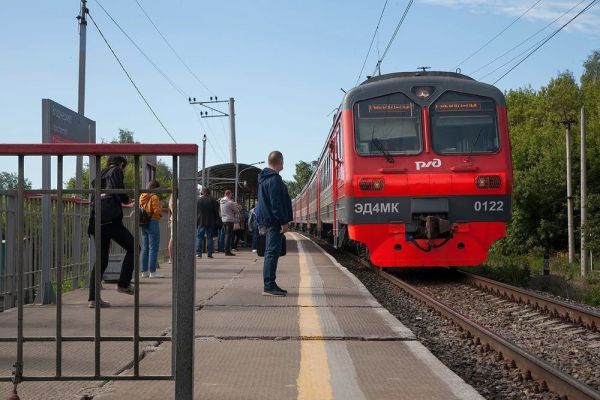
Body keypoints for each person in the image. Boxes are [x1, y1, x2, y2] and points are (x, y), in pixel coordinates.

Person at [87, 155, 135, 308]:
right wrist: (127, 200)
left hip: (96, 221)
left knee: (102, 259)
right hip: (110, 220)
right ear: (121, 164)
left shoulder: (100, 174)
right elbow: (117, 189)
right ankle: (123, 284)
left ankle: (94, 299)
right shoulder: (116, 170)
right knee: (134, 248)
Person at [257, 151, 293, 296]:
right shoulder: (275, 179)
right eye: (283, 161)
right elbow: (276, 204)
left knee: (270, 252)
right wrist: (283, 222)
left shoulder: (264, 179)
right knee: (272, 253)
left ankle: (269, 284)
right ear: (281, 161)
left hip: (269, 220)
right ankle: (269, 285)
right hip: (274, 222)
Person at [140, 180, 163, 278]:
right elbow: (157, 211)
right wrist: (160, 207)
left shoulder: (142, 195)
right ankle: (152, 272)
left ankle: (144, 271)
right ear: (155, 188)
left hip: (143, 223)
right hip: (153, 221)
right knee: (153, 248)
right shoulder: (154, 197)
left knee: (145, 248)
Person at [196, 188, 219, 258]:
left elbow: (196, 211)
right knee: (210, 237)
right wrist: (217, 219)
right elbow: (216, 212)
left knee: (200, 237)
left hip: (201, 221)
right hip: (211, 222)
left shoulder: (198, 200)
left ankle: (199, 253)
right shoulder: (213, 200)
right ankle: (209, 254)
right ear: (209, 192)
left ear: (203, 192)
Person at [219, 190, 238, 256]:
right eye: (231, 194)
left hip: (223, 220)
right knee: (228, 235)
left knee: (224, 235)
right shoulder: (230, 202)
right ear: (229, 194)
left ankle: (222, 248)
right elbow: (237, 210)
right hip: (229, 220)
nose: (232, 195)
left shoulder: (221, 201)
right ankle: (227, 251)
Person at [167, 194, 174, 263]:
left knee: (172, 238)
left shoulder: (170, 201)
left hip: (172, 220)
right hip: (178, 220)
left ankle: (171, 258)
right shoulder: (177, 201)